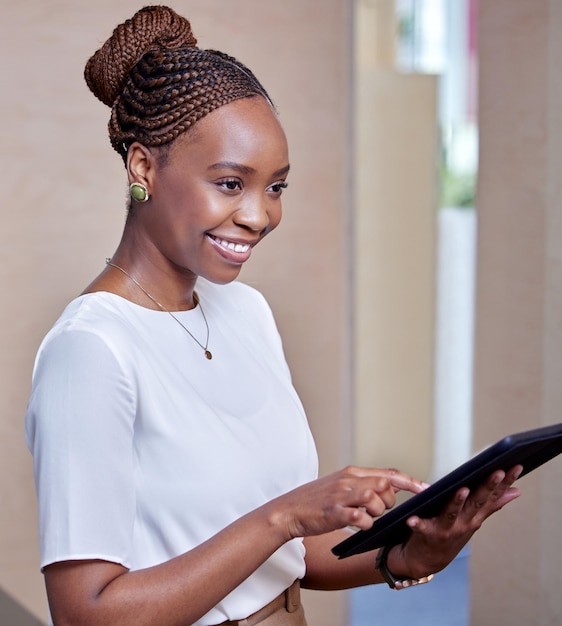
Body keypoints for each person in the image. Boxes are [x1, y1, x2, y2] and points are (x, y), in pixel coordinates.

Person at [24, 6, 522, 626]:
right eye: (231, 183)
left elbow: (291, 560)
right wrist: (284, 514)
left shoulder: (247, 313)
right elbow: (85, 615)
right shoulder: (92, 349)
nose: (260, 216)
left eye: (276, 187)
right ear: (143, 167)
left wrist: (413, 552)